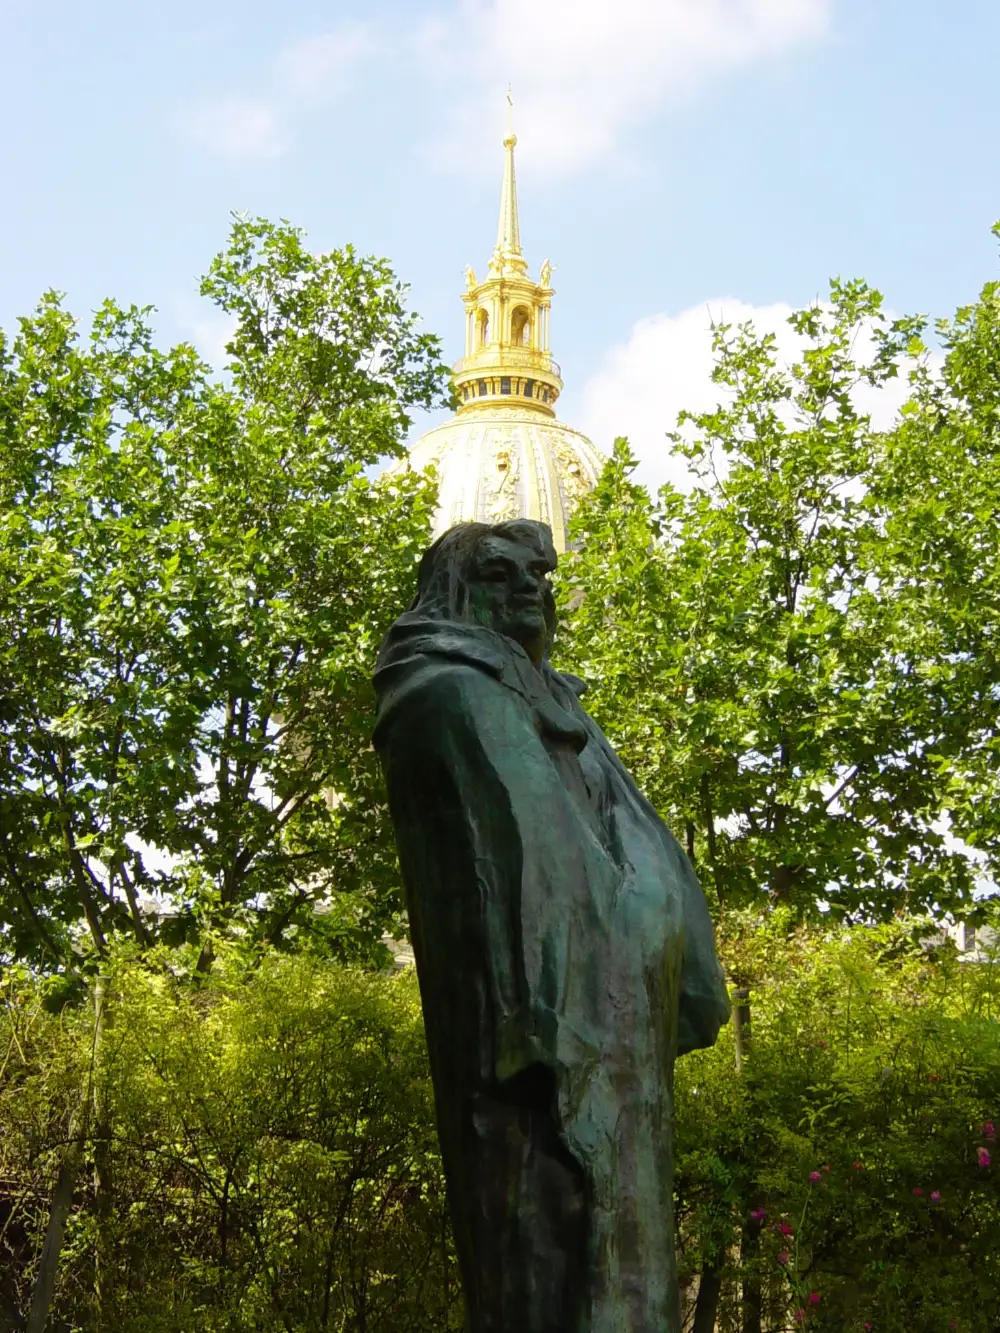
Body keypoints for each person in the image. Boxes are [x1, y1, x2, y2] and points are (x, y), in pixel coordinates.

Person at [373, 519, 730, 1333]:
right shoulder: (448, 693)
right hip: (532, 1056)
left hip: (608, 1039)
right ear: (457, 592)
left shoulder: (554, 707)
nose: (529, 589)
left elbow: (638, 867)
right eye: (501, 575)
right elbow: (549, 876)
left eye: (539, 575)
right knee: (550, 1263)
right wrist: (640, 909)